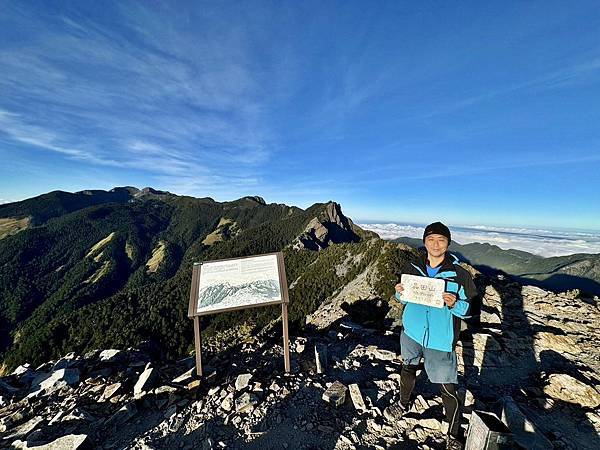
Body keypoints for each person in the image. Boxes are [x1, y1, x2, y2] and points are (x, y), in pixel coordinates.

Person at [387, 222, 477, 450]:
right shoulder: (412, 267)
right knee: (407, 368)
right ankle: (402, 403)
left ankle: (454, 433)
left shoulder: (460, 275)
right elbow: (403, 300)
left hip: (440, 338)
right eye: (431, 239)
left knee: (447, 387)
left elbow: (472, 310)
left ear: (448, 243)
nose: (436, 244)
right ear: (424, 241)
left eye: (441, 240)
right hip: (412, 332)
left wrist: (456, 304)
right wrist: (399, 295)